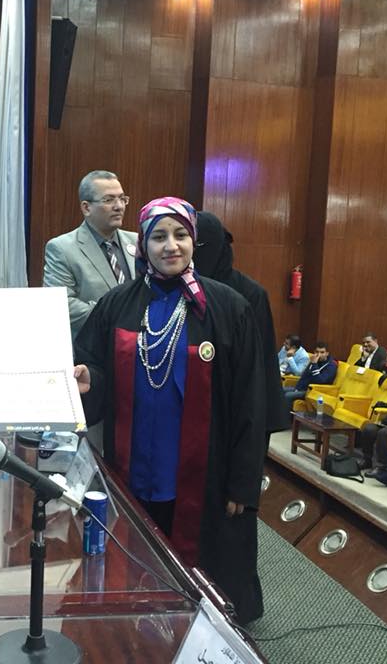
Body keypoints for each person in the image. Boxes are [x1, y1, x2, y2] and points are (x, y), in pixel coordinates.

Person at [75, 196, 265, 623]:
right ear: (143, 245)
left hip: (204, 470)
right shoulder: (117, 304)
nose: (171, 245)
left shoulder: (228, 307)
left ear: (194, 241)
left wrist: (243, 482)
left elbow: (250, 401)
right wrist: (91, 380)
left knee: (201, 578)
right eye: (158, 236)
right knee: (135, 556)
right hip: (132, 464)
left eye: (180, 235)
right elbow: (95, 368)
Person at [194, 210, 286, 435]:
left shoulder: (249, 294)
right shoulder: (180, 288)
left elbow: (261, 362)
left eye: (199, 246)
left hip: (236, 404)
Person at [44, 170, 137, 337]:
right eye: (109, 200)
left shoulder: (138, 242)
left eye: (122, 198)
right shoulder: (62, 248)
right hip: (94, 346)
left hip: (140, 345)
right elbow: (62, 304)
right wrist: (117, 317)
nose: (119, 206)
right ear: (86, 208)